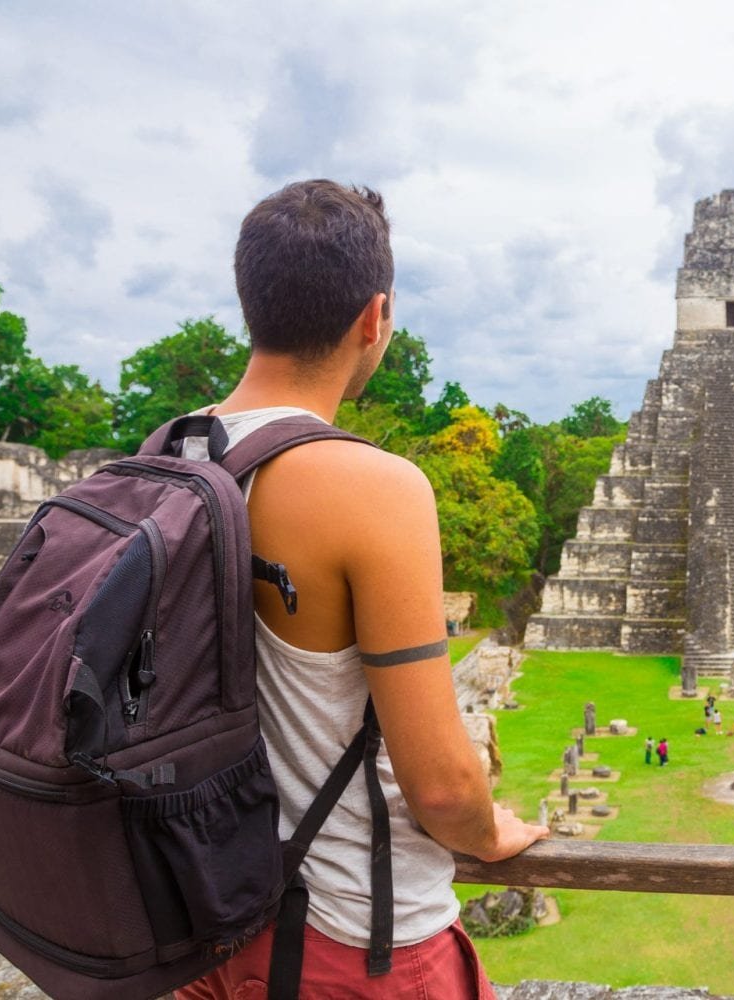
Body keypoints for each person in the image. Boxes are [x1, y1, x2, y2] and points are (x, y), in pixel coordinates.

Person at [174, 181, 548, 1000]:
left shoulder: (171, 455)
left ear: (252, 304)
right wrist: (491, 829)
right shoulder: (373, 487)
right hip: (347, 940)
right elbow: (445, 789)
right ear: (373, 318)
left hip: (203, 924)